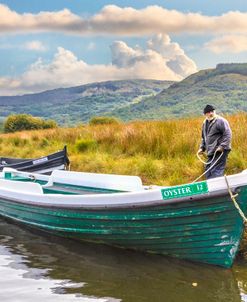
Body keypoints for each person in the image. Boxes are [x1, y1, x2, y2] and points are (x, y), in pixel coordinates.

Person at [197, 104, 232, 179]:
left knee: (215, 170)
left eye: (212, 111)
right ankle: (212, 189)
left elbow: (228, 134)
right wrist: (202, 148)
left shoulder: (221, 121)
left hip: (220, 151)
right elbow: (204, 137)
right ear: (205, 114)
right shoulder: (205, 123)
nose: (211, 113)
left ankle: (219, 188)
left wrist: (222, 146)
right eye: (209, 112)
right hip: (211, 151)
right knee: (208, 170)